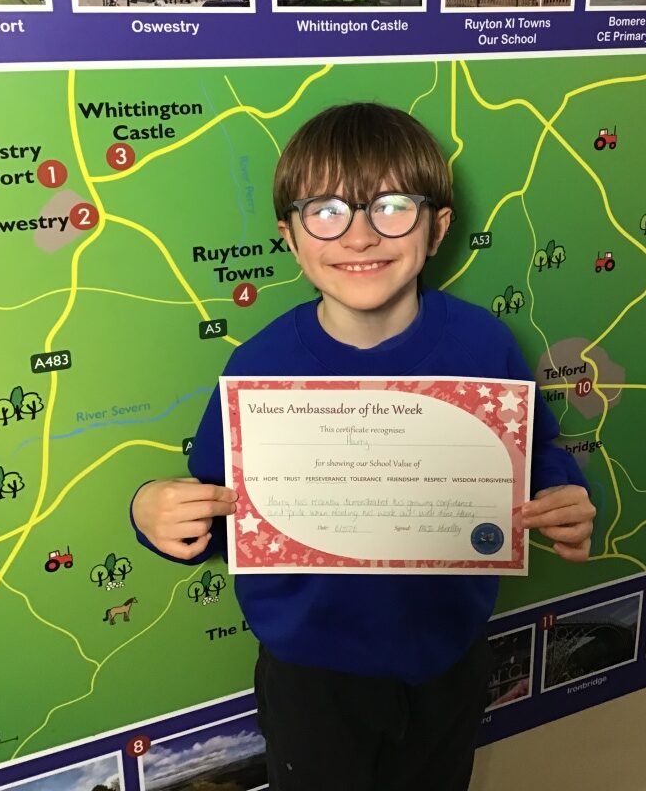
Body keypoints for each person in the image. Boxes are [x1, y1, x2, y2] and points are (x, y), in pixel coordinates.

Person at [131, 103, 595, 791]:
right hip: (313, 678)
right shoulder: (258, 368)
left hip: (450, 659)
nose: (359, 235)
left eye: (392, 206)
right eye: (325, 211)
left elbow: (539, 451)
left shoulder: (484, 346)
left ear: (437, 228)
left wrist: (561, 492)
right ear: (290, 237)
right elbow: (214, 510)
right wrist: (151, 511)